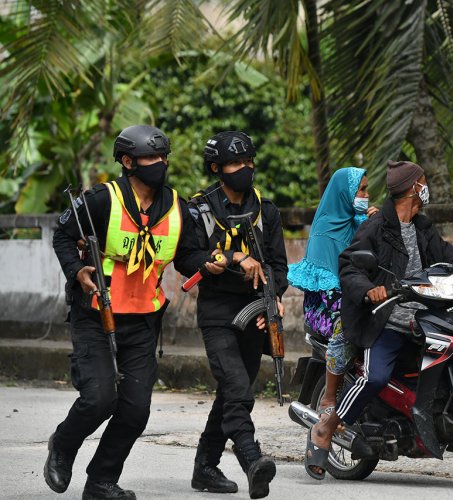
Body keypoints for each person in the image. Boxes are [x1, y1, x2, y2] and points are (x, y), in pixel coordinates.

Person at [46, 125, 224, 500]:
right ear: (128, 162)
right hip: (96, 314)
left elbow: (186, 256)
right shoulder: (101, 200)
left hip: (144, 319)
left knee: (135, 409)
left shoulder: (177, 208)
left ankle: (100, 482)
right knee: (99, 398)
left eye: (163, 158)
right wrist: (76, 271)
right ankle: (62, 446)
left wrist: (207, 264)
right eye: (150, 158)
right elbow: (62, 235)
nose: (159, 164)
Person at [304, 160, 453, 479]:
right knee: (375, 377)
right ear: (413, 188)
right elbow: (350, 267)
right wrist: (370, 290)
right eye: (423, 181)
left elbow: (448, 255)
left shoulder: (422, 226)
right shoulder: (376, 227)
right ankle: (326, 426)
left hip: (425, 312)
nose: (427, 187)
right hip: (386, 318)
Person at [186, 131, 288, 499]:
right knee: (238, 389)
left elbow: (278, 265)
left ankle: (205, 466)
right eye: (235, 163)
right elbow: (186, 258)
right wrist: (228, 259)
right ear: (216, 168)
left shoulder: (267, 210)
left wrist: (271, 300)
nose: (245, 169)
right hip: (217, 311)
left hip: (254, 312)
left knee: (232, 391)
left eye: (249, 162)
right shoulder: (198, 209)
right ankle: (252, 459)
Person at [287, 167, 378, 416]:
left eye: (366, 189)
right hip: (326, 305)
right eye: (362, 190)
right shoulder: (324, 231)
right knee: (348, 327)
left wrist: (379, 224)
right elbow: (328, 286)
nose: (366, 195)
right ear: (344, 193)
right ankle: (328, 398)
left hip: (358, 294)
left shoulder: (361, 221)